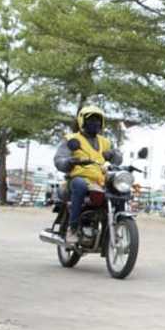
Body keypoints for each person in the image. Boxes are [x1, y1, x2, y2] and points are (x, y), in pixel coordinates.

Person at [53, 105, 122, 247]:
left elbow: (118, 158)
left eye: (98, 120)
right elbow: (59, 160)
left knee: (120, 188)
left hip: (100, 182)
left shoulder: (105, 142)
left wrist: (113, 155)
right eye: (91, 119)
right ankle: (72, 229)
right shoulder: (71, 139)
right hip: (77, 180)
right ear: (82, 121)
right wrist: (70, 161)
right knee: (80, 184)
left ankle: (119, 227)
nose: (95, 123)